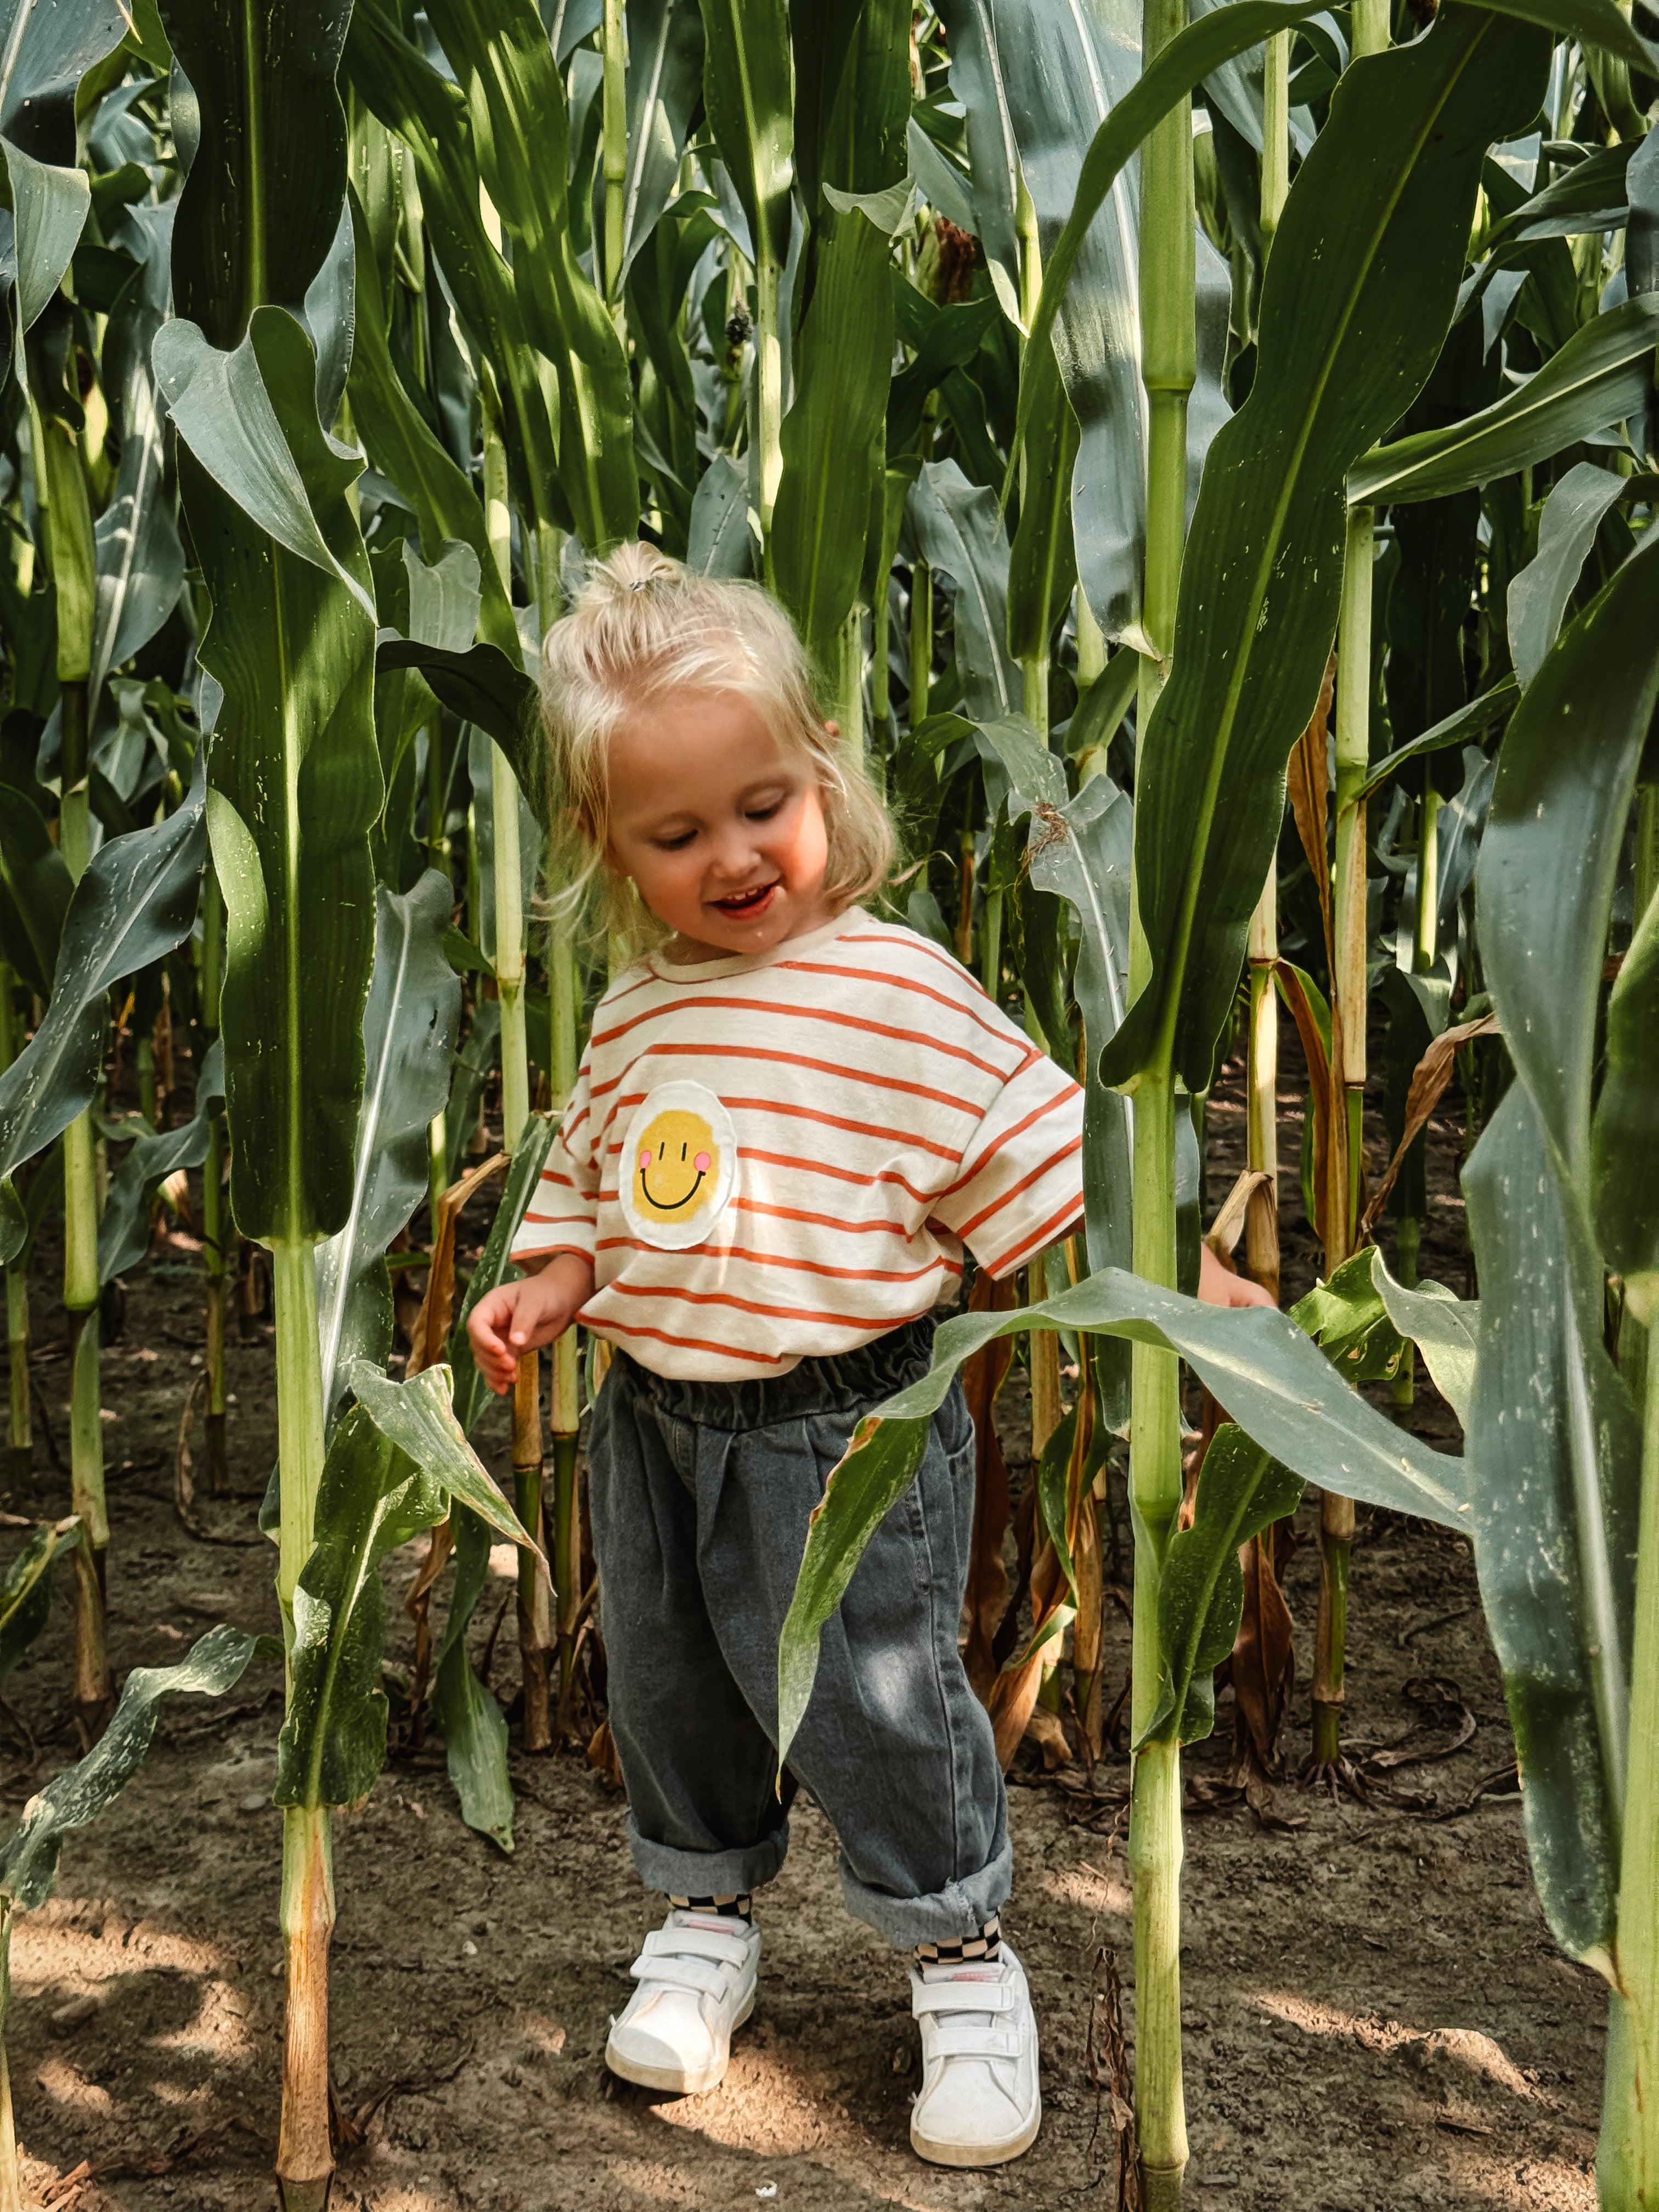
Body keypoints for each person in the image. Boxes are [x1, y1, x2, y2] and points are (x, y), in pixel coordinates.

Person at [467, 543, 1271, 2169]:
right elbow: (592, 1178)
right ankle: (705, 1917)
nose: (735, 856)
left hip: (849, 1430)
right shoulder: (636, 1013)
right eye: (677, 834)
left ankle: (964, 1958)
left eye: (762, 806)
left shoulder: (897, 990)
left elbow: (1050, 1159)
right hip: (656, 1423)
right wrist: (552, 1275)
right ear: (609, 852)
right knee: (672, 1685)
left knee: (880, 1700)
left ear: (821, 774)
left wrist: (1188, 1286)